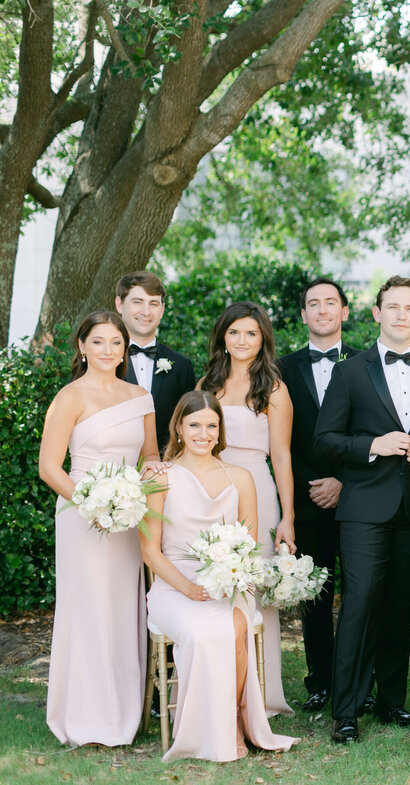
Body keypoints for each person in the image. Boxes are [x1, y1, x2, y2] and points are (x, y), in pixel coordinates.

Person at [314, 276, 410, 743]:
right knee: (360, 603)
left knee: (401, 605)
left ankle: (391, 701)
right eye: (392, 306)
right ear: (376, 313)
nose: (401, 315)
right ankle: (346, 710)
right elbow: (324, 442)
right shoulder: (351, 371)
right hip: (363, 508)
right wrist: (372, 445)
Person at [141, 392, 295, 761]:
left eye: (212, 425)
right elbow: (150, 552)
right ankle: (205, 729)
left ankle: (236, 720)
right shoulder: (159, 478)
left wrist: (231, 577)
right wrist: (189, 588)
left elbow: (249, 544)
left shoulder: (240, 477)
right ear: (179, 427)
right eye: (195, 425)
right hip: (173, 584)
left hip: (229, 581)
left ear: (220, 430)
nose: (203, 433)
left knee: (234, 628)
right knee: (200, 632)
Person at [38, 311, 162, 746]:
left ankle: (123, 714)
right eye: (98, 342)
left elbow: (149, 458)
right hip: (81, 516)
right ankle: (85, 717)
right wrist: (91, 504)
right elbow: (49, 467)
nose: (108, 350)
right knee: (88, 608)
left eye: (115, 343)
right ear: (82, 346)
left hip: (128, 517)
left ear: (124, 348)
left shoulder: (140, 395)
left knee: (124, 608)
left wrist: (134, 498)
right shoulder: (70, 397)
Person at [200, 301, 296, 716]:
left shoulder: (273, 389)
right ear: (223, 336)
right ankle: (218, 690)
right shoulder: (207, 384)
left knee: (256, 591)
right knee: (215, 583)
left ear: (263, 340)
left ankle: (260, 695)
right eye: (235, 332)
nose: (242, 340)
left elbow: (282, 455)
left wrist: (288, 517)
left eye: (251, 333)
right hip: (212, 487)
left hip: (257, 486)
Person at [278, 278, 361, 713]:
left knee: (362, 592)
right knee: (314, 594)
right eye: (314, 304)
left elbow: (370, 430)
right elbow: (282, 439)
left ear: (344, 311)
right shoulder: (282, 368)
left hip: (360, 495)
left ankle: (356, 683)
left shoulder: (368, 363)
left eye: (331, 303)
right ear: (304, 315)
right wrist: (316, 482)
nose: (323, 310)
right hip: (308, 496)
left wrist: (344, 482)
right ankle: (320, 682)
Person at [115, 271, 197, 456]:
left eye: (153, 304)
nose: (146, 311)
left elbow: (189, 424)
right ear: (120, 304)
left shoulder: (182, 367)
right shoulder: (100, 360)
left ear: (162, 309)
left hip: (166, 471)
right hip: (108, 470)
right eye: (137, 302)